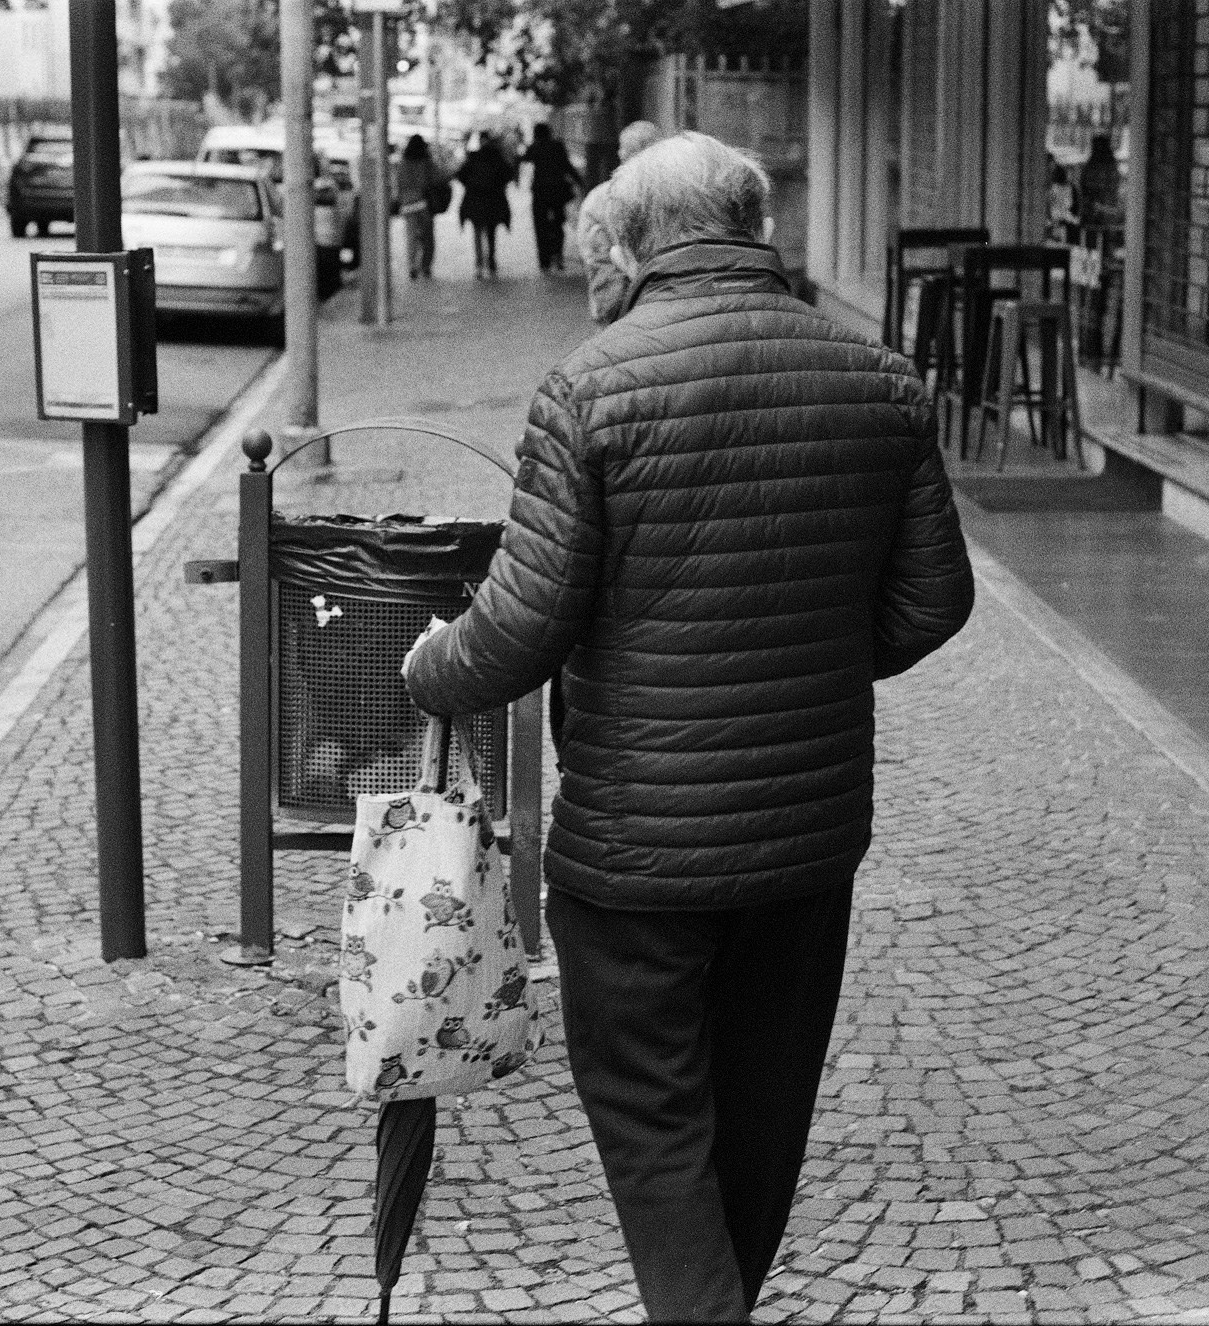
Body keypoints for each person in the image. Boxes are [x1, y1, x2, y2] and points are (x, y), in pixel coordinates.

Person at [403, 130, 974, 1323]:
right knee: (761, 1116)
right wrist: (805, 668)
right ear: (753, 224)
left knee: (653, 1121)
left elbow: (521, 627)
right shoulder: (876, 376)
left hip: (636, 846)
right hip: (803, 841)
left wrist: (425, 666)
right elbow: (935, 599)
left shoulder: (592, 386)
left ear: (640, 240)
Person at [575, 120, 662, 324]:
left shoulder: (598, 199)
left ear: (623, 154)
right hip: (662, 307)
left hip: (615, 309)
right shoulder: (674, 196)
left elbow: (592, 255)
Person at [519, 121, 581, 273]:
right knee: (558, 225)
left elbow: (524, 159)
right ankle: (558, 256)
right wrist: (579, 180)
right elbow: (567, 165)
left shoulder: (534, 147)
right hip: (557, 191)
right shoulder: (557, 146)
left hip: (540, 191)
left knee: (541, 226)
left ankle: (544, 261)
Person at [455, 131, 514, 279]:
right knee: (491, 232)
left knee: (477, 232)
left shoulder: (473, 157)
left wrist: (471, 185)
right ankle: (491, 261)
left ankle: (479, 264)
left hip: (475, 200)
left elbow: (461, 174)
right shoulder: (497, 157)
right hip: (493, 201)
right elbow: (508, 174)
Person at [395, 134, 446, 280]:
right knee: (427, 237)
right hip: (424, 203)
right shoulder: (427, 162)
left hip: (407, 204)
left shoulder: (403, 163)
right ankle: (426, 266)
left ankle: (412, 266)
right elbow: (438, 178)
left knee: (411, 236)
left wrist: (400, 199)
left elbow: (399, 183)